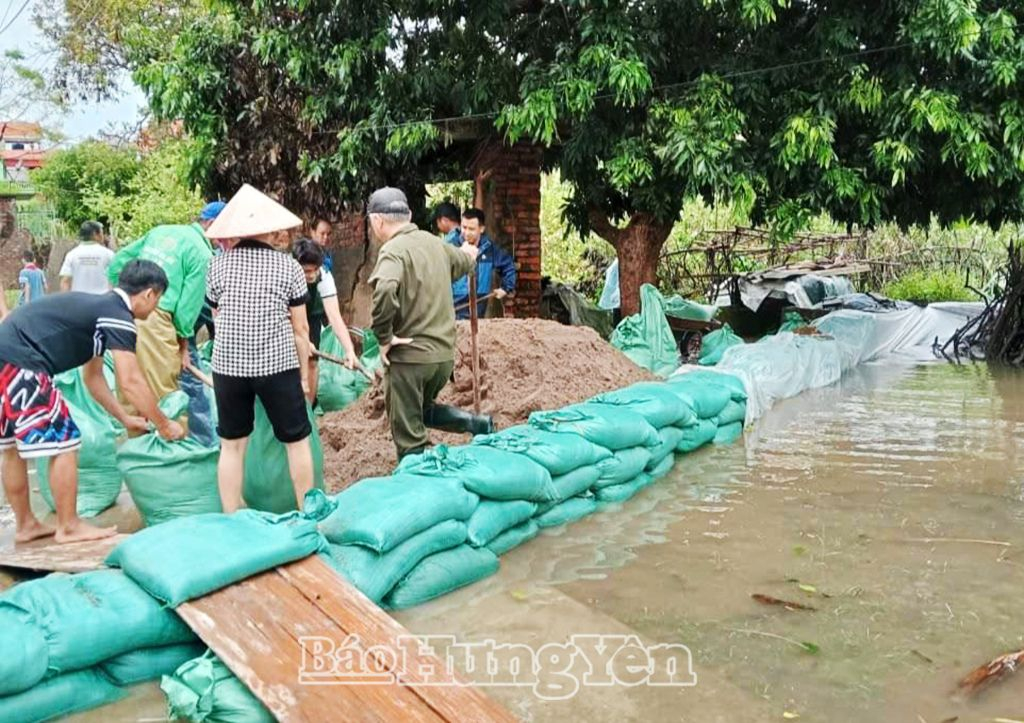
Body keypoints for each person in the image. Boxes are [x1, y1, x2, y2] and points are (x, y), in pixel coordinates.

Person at [0, 259, 185, 544]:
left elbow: (94, 378)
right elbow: (130, 382)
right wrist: (164, 424)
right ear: (149, 294)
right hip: (23, 362)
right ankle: (69, 526)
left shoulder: (99, 311)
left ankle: (26, 525)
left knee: (11, 449)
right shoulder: (118, 317)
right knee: (65, 442)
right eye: (158, 299)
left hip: (7, 358)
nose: (156, 307)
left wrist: (125, 418)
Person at [204, 184, 314, 513]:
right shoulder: (289, 267)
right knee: (296, 444)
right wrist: (305, 378)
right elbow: (301, 328)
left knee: (232, 446)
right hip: (276, 366)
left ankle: (231, 517)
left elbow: (217, 317)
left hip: (228, 368)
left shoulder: (218, 266)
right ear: (270, 230)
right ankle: (308, 512)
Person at [367, 186, 493, 459]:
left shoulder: (392, 252)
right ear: (409, 214)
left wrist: (384, 338)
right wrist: (469, 253)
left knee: (408, 435)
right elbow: (466, 262)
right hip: (443, 358)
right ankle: (474, 423)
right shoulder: (437, 244)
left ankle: (418, 484)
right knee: (421, 411)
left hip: (410, 359)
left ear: (377, 221)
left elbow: (386, 288)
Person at [107, 202, 224, 439]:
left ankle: (137, 458)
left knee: (130, 388)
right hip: (157, 318)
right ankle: (173, 462)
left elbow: (118, 262)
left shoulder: (161, 231)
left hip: (125, 309)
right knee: (167, 397)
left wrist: (121, 293)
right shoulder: (202, 255)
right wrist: (182, 346)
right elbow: (185, 311)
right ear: (211, 225)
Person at [292, 239, 358, 404]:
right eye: (307, 271)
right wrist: (302, 339)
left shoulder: (324, 276)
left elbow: (334, 316)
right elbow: (284, 314)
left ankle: (309, 409)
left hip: (311, 316)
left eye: (314, 270)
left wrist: (349, 350)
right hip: (286, 319)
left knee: (312, 362)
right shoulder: (285, 274)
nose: (312, 275)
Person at [450, 208, 517, 320]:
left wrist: (506, 288)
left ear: (481, 229)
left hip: (478, 312)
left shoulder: (489, 249)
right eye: (464, 227)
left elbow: (508, 265)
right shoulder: (451, 245)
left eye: (471, 229)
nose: (466, 233)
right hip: (452, 313)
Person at [60, 221, 115, 294]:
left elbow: (65, 281)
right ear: (95, 234)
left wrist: (66, 302)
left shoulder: (72, 255)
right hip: (102, 301)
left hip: (79, 300)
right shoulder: (109, 254)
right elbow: (115, 279)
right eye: (102, 233)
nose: (103, 236)